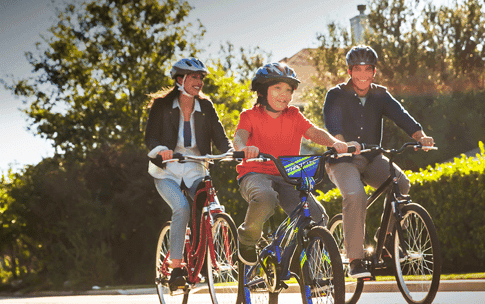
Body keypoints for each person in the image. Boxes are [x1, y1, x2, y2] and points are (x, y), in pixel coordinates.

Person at [322, 45, 435, 278]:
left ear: (374, 72)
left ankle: (386, 242)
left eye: (367, 69)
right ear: (350, 71)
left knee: (401, 184)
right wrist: (342, 143)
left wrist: (421, 137)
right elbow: (333, 125)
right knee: (355, 195)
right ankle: (355, 259)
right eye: (358, 69)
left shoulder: (380, 95)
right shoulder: (336, 94)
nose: (362, 75)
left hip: (372, 158)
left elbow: (402, 116)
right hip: (342, 160)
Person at [234, 62, 352, 265]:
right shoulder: (249, 116)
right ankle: (247, 239)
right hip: (255, 173)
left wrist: (334, 142)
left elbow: (314, 132)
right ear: (262, 91)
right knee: (265, 197)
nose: (285, 94)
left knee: (317, 216)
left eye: (288, 90)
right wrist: (244, 148)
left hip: (287, 174)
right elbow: (239, 137)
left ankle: (315, 273)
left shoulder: (293, 115)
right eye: (278, 88)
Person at [144, 58, 231, 283]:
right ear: (180, 79)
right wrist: (162, 149)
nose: (199, 81)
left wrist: (230, 151)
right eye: (194, 77)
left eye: (201, 78)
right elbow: (150, 137)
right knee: (181, 207)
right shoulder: (162, 105)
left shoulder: (206, 106)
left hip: (196, 168)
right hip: (167, 171)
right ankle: (176, 267)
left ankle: (203, 259)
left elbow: (221, 137)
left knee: (212, 209)